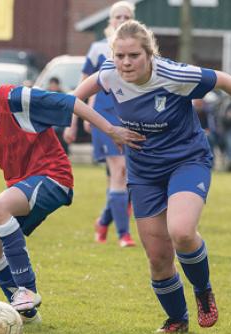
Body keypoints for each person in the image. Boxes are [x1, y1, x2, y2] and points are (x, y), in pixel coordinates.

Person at [65, 20, 231, 333]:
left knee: (181, 231)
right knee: (158, 258)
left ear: (149, 54)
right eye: (121, 56)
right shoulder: (109, 74)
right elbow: (74, 98)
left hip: (186, 160)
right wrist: (110, 129)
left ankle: (203, 291)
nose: (126, 63)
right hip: (144, 171)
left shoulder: (174, 74)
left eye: (134, 55)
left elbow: (224, 80)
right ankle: (177, 320)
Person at [0, 49, 144, 324]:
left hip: (53, 177)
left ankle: (26, 290)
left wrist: (110, 129)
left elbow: (70, 102)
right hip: (24, 184)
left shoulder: (13, 97)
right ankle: (27, 315)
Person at [64, 1, 137, 248]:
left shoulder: (142, 49)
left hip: (131, 117)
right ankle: (123, 235)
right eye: (118, 16)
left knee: (128, 177)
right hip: (104, 117)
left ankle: (103, 221)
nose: (122, 20)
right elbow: (80, 91)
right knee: (120, 172)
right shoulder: (98, 49)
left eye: (127, 16)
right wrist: (72, 123)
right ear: (111, 21)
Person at [46, 77, 70, 155]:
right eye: (51, 85)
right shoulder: (45, 96)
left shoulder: (62, 96)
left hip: (59, 124)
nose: (53, 87)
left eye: (54, 85)